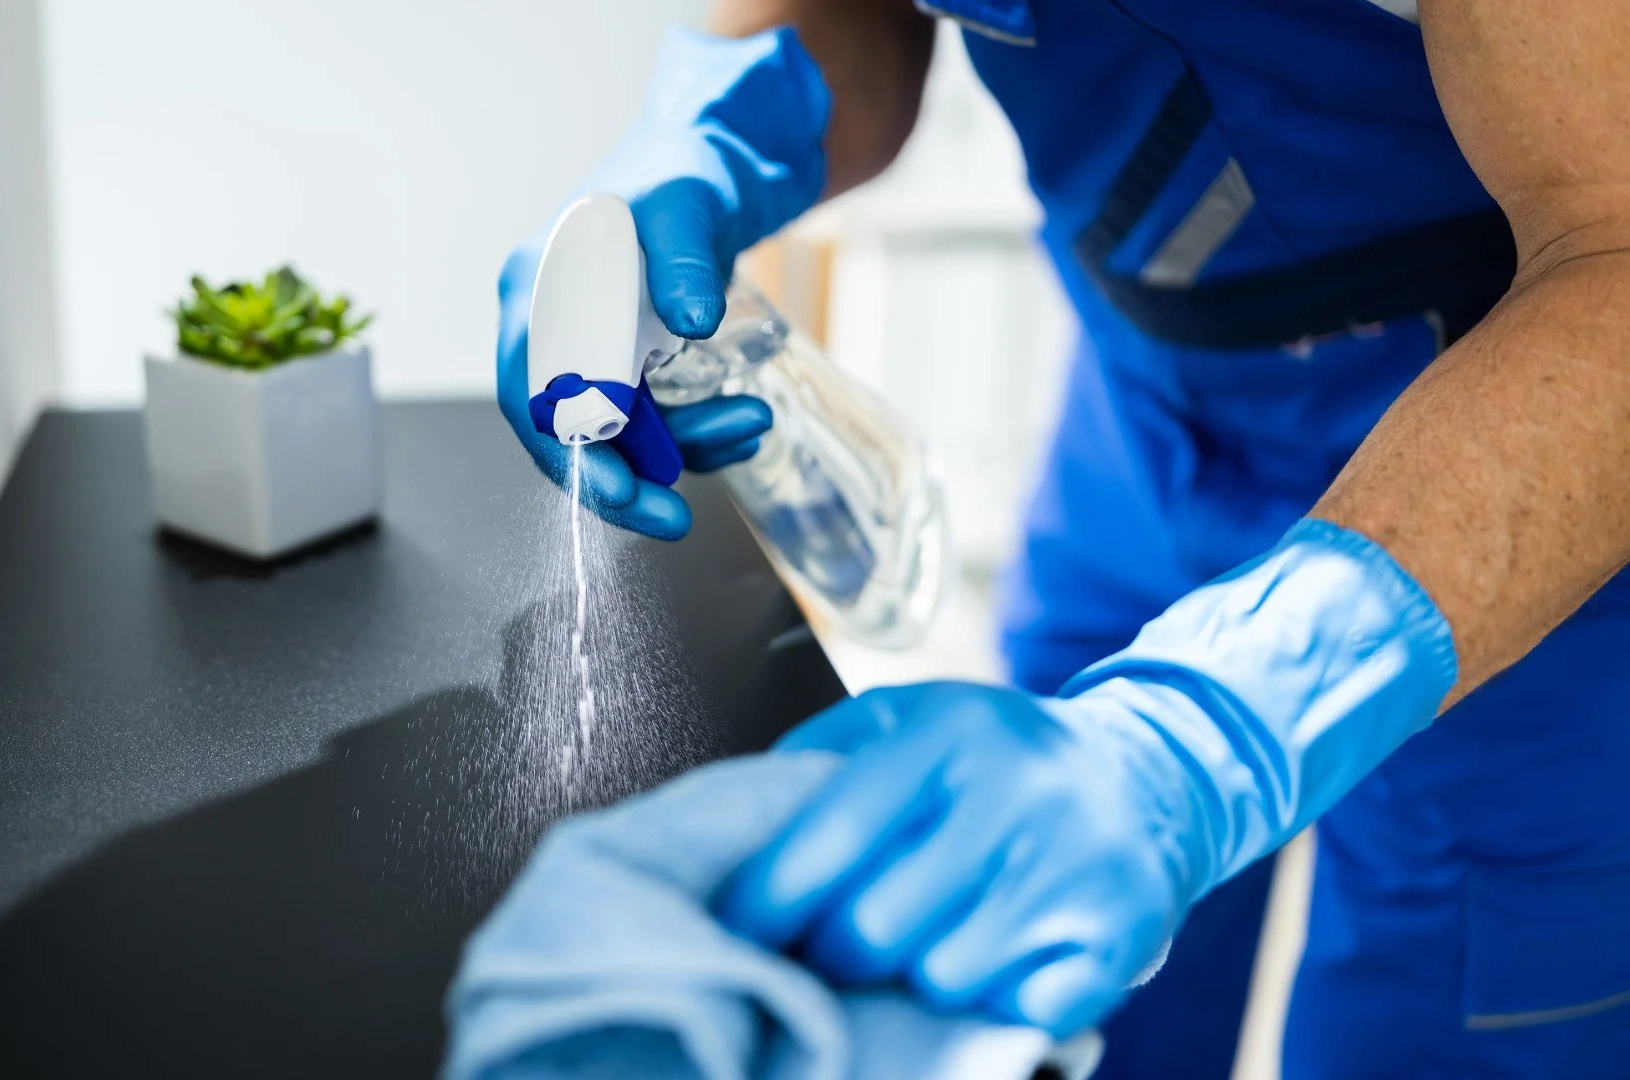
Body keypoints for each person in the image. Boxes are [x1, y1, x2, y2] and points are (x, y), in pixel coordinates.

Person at [494, 2, 1630, 1076]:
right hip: (1145, 415)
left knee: (1451, 1014)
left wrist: (1196, 742)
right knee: (1027, 968)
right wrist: (721, 128)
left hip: (1526, 453)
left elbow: (1615, 246)